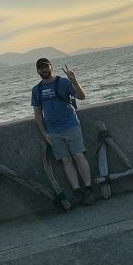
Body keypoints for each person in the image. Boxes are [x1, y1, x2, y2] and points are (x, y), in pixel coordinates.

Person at [31, 58, 96, 205]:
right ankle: (77, 191)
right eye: (40, 68)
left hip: (71, 126)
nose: (44, 70)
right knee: (65, 160)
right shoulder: (37, 90)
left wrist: (74, 80)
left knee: (78, 155)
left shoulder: (63, 82)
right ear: (37, 71)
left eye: (46, 67)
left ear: (51, 67)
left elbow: (81, 97)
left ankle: (89, 189)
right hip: (53, 131)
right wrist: (44, 133)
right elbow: (37, 115)